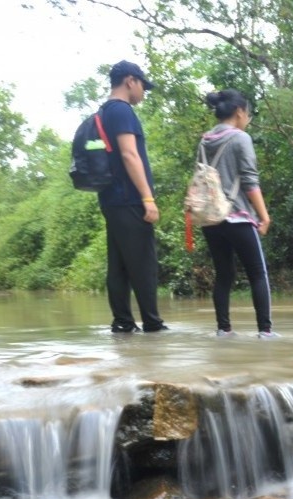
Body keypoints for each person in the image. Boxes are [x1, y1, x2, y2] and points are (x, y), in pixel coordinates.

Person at [197, 89, 276, 339]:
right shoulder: (241, 138)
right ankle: (265, 331)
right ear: (240, 112)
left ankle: (224, 329)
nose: (248, 119)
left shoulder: (204, 139)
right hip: (238, 216)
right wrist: (264, 216)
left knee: (224, 274)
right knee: (257, 273)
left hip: (210, 217)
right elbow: (250, 182)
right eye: (248, 114)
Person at [99, 60, 166, 333]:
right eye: (142, 86)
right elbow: (129, 154)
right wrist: (147, 199)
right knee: (143, 262)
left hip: (111, 200)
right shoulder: (122, 111)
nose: (143, 93)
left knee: (119, 265)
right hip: (129, 199)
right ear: (130, 81)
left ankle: (123, 323)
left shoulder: (103, 111)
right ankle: (152, 323)